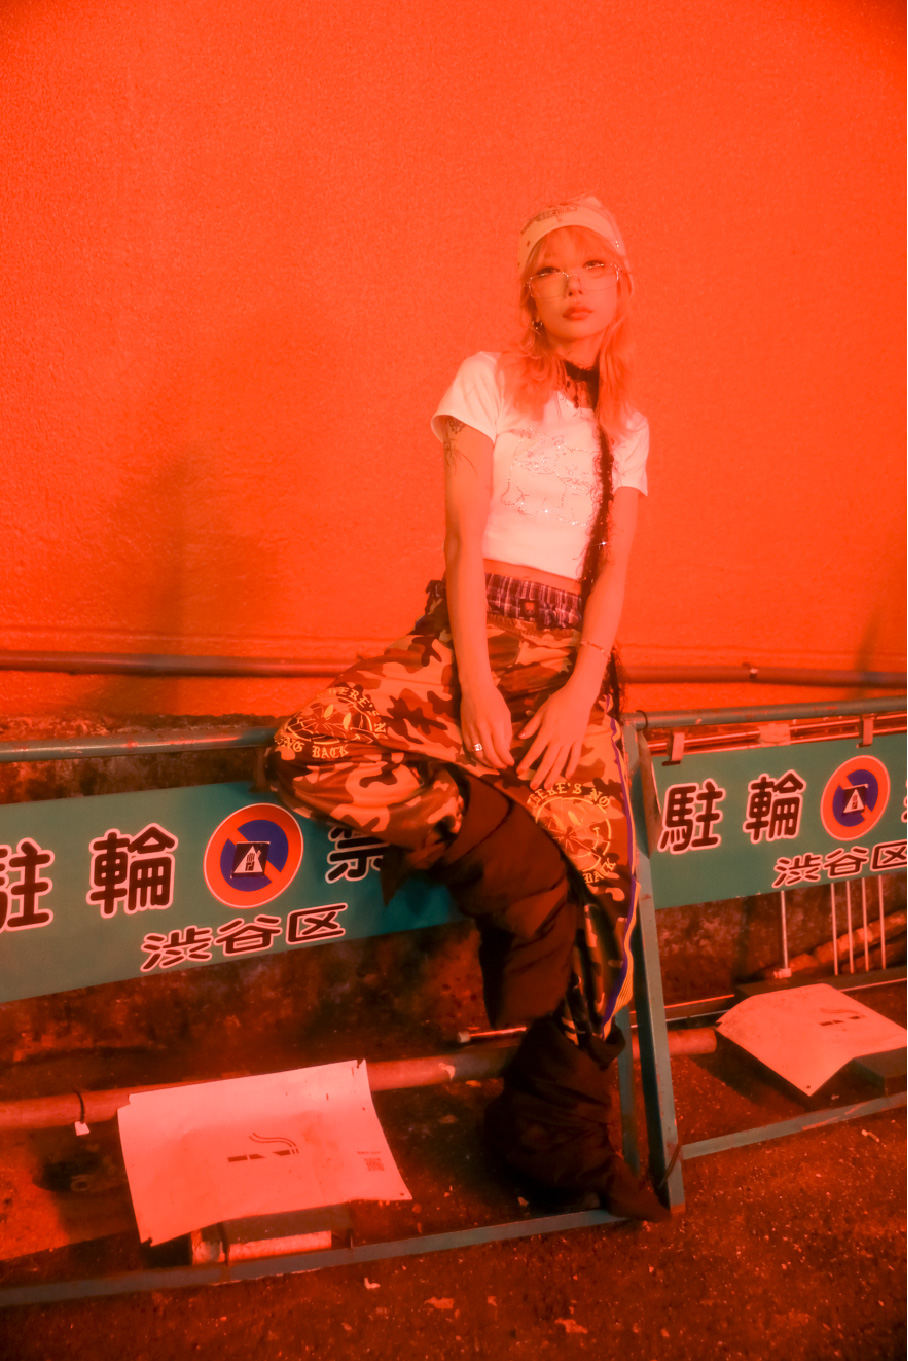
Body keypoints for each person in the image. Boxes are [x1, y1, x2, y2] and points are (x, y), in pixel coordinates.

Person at [265, 196, 667, 1221]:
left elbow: (614, 576)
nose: (573, 284)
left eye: (593, 265)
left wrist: (579, 694)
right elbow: (460, 541)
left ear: (623, 287)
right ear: (528, 294)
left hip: (570, 667)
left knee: (609, 904)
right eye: (551, 269)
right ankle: (518, 867)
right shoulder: (483, 380)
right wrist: (477, 682)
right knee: (309, 743)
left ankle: (553, 1134)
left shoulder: (626, 426)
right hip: (470, 643)